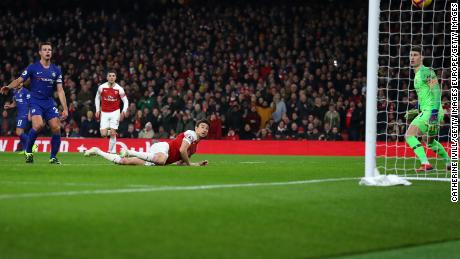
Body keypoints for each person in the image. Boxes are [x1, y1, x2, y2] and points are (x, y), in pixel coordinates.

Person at [1, 42, 68, 164]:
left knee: (56, 127)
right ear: (40, 52)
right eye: (45, 49)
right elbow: (19, 80)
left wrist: (65, 108)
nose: (48, 51)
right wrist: (9, 87)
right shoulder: (33, 67)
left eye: (50, 50)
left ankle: (53, 157)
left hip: (49, 102)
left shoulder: (56, 70)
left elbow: (60, 90)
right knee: (38, 125)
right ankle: (28, 151)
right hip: (35, 101)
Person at [84, 119, 210, 167]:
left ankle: (97, 151)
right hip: (163, 148)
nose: (204, 130)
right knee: (161, 160)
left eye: (206, 128)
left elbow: (179, 163)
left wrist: (196, 164)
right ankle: (129, 152)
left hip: (160, 158)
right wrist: (190, 165)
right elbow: (182, 150)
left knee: (124, 162)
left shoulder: (194, 149)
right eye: (202, 127)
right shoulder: (191, 134)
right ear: (196, 128)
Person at [405, 46, 450, 172]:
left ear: (422, 57)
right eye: (411, 55)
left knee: (409, 135)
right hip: (429, 110)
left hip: (432, 110)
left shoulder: (425, 72)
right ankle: (449, 162)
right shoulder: (417, 75)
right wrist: (416, 109)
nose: (412, 57)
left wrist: (434, 113)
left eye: (415, 55)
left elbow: (436, 92)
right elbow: (425, 96)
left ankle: (425, 163)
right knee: (428, 140)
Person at [95, 71, 129, 154]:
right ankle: (113, 132)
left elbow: (126, 101)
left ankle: (110, 151)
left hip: (115, 112)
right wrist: (97, 109)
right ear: (107, 78)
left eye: (113, 76)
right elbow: (97, 98)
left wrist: (124, 111)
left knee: (112, 134)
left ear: (115, 78)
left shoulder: (119, 89)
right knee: (103, 134)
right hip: (104, 112)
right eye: (109, 76)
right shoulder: (101, 87)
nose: (111, 77)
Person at [3, 86, 38, 153]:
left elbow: (31, 103)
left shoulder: (26, 92)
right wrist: (9, 106)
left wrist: (30, 114)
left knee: (19, 132)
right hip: (19, 114)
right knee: (21, 132)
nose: (16, 85)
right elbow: (15, 103)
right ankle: (26, 149)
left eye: (18, 83)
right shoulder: (15, 92)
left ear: (21, 84)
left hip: (25, 114)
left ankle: (32, 145)